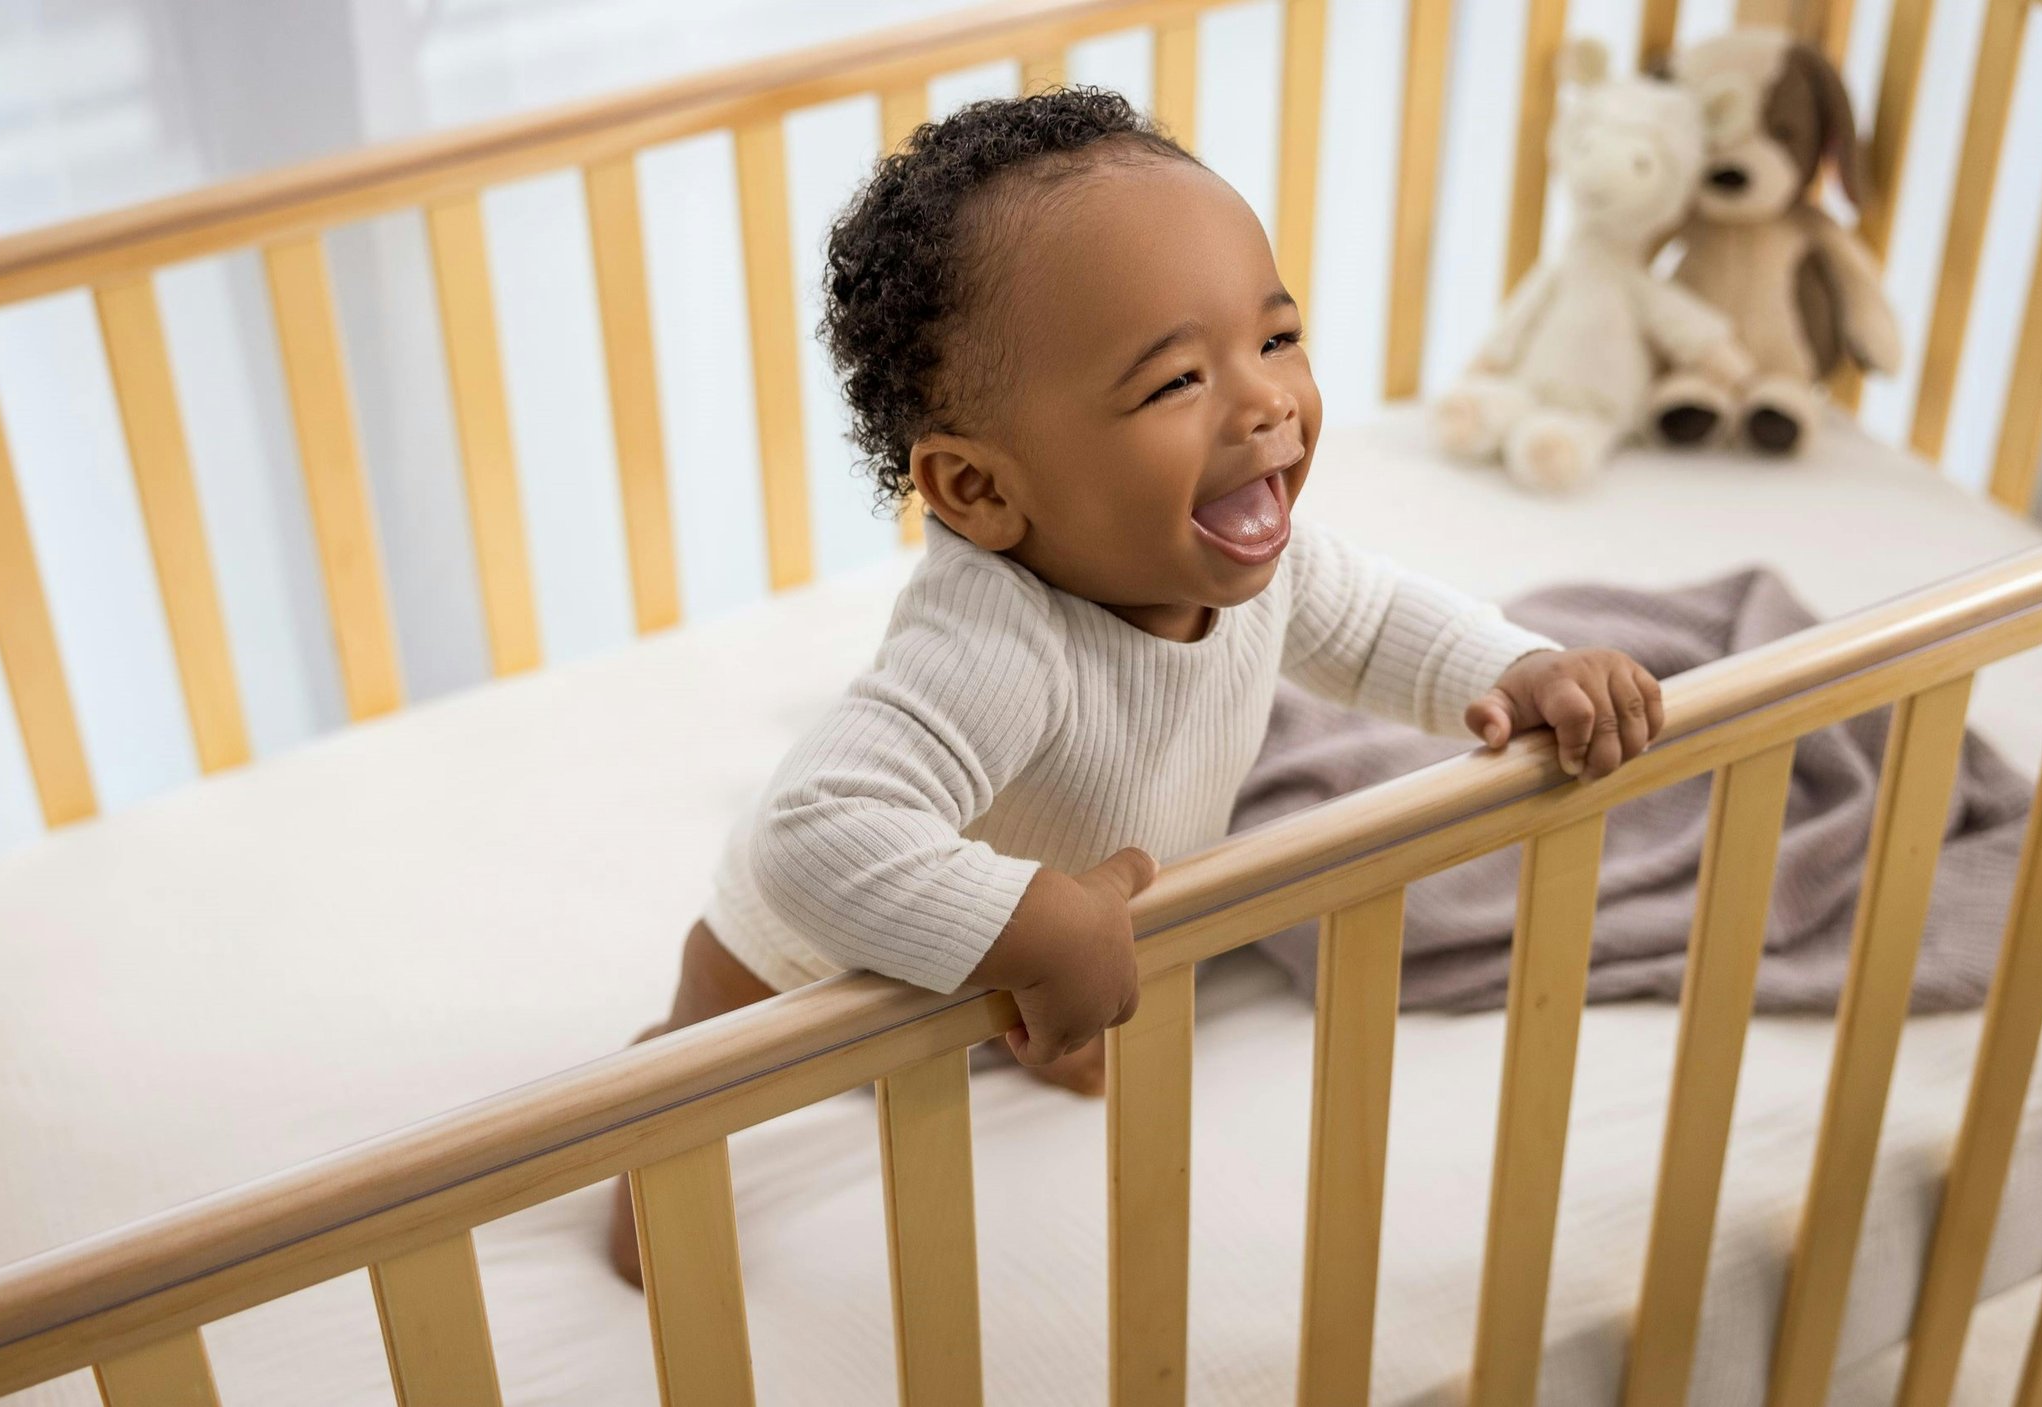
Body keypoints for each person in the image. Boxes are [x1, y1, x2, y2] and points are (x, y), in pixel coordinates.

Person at [609, 88, 1663, 1285]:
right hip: (798, 940)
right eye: (1174, 384)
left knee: (1035, 965)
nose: (1266, 400)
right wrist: (1031, 923)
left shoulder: (1254, 565)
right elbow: (816, 834)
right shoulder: (998, 645)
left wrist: (1515, 668)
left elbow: (1373, 626)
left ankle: (1016, 990)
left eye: (1274, 339)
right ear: (977, 492)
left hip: (1043, 893)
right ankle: (642, 1156)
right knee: (695, 1075)